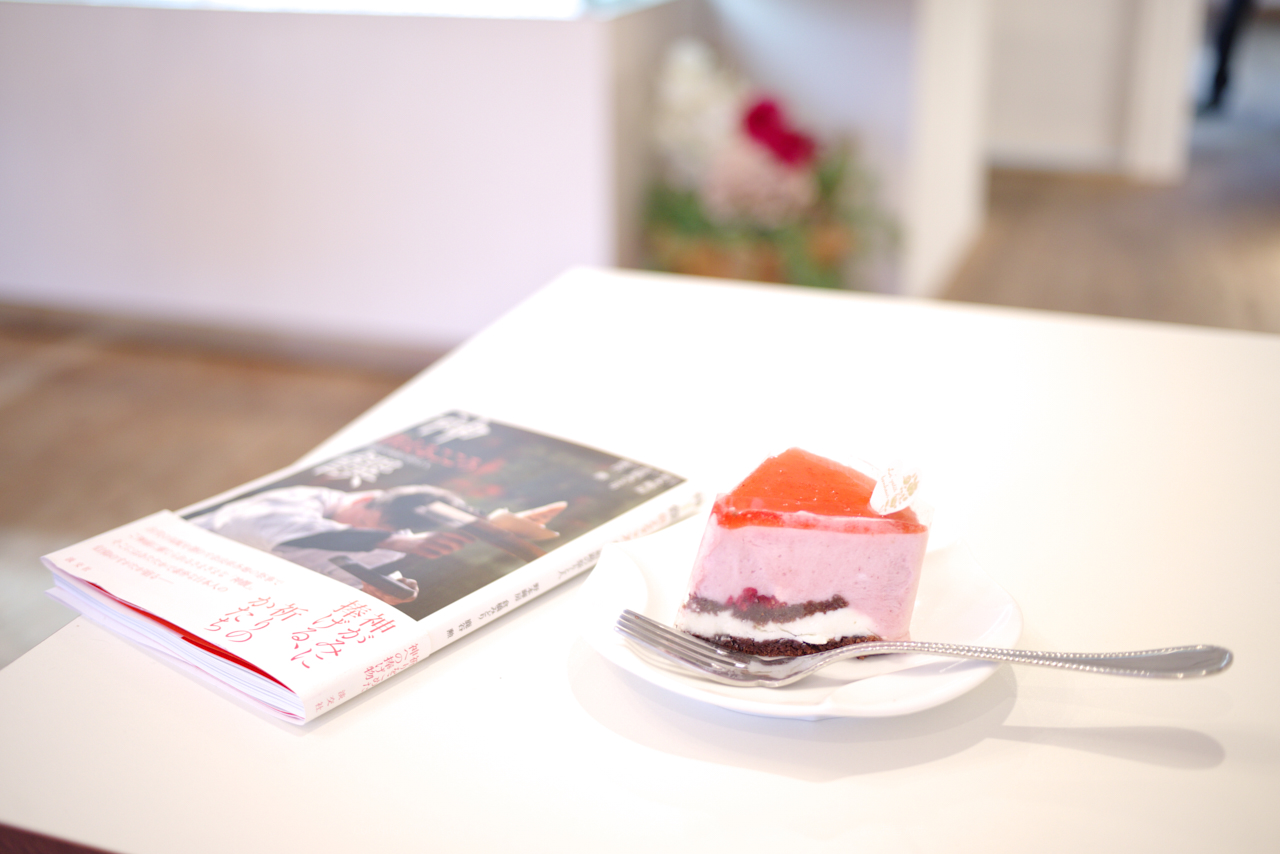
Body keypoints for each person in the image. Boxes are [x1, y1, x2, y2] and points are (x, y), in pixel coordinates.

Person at [189, 485, 565, 605]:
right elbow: (256, 528)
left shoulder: (389, 543)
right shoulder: (302, 501)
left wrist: (379, 591)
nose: (370, 534)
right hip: (191, 560)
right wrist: (395, 540)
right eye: (370, 525)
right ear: (366, 499)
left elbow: (338, 574)